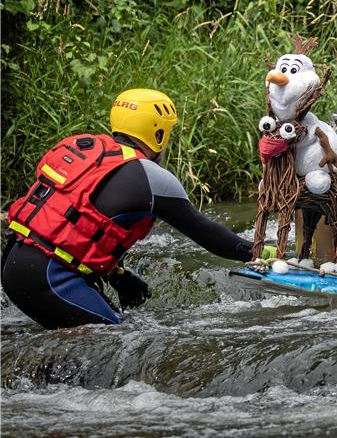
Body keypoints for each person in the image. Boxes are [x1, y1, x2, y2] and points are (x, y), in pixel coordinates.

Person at [2, 89, 259, 329]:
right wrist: (261, 252)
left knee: (107, 333)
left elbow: (81, 224)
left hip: (13, 261)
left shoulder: (83, 147)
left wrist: (117, 275)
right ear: (158, 135)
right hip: (50, 277)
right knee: (114, 341)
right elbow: (207, 233)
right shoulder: (150, 177)